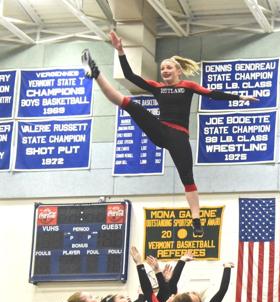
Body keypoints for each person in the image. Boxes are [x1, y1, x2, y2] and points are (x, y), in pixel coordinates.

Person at [80, 32, 258, 237]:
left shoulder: (188, 86)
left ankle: (196, 221)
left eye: (168, 67)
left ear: (178, 71)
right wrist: (120, 50)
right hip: (160, 130)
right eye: (162, 68)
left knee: (187, 178)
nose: (164, 70)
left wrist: (240, 97)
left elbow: (213, 95)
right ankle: (96, 74)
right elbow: (130, 76)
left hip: (178, 137)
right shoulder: (157, 88)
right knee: (130, 104)